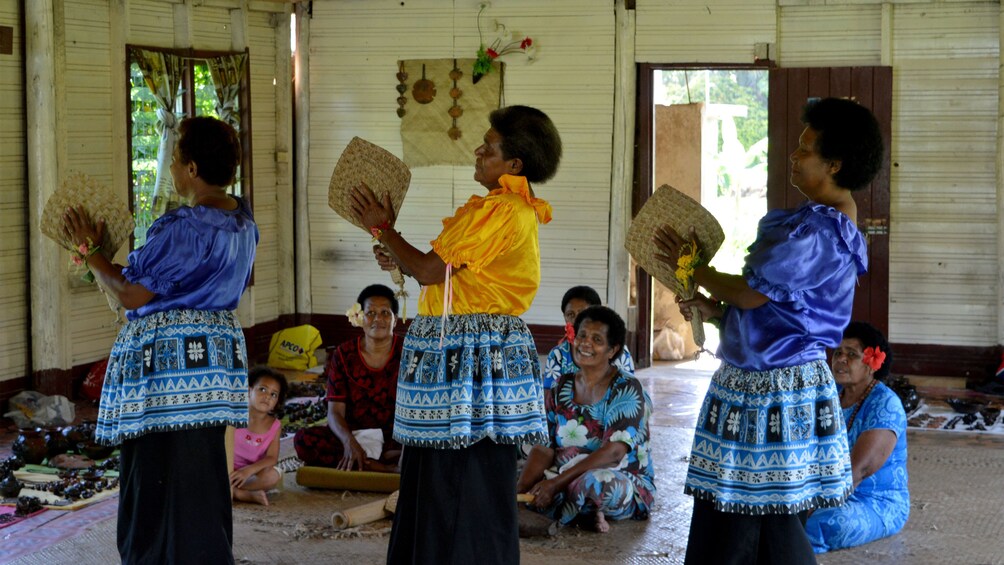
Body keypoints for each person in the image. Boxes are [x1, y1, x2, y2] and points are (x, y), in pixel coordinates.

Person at [655, 97, 884, 564]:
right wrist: (717, 312)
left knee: (763, 517)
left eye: (805, 149)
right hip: (756, 384)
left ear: (834, 164)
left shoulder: (822, 232)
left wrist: (692, 265)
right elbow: (774, 312)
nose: (794, 157)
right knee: (737, 512)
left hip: (775, 392)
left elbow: (750, 294)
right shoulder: (815, 223)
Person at [349, 105, 562, 564]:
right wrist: (394, 247)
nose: (479, 151)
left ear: (515, 165)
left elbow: (428, 269)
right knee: (443, 472)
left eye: (490, 146)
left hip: (473, 356)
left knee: (465, 473)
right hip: (460, 352)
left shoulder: (505, 210)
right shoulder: (495, 208)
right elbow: (437, 271)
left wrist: (384, 228)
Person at [62, 116, 258, 564]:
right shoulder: (244, 221)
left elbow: (132, 293)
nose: (171, 170)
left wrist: (92, 252)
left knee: (154, 468)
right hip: (215, 358)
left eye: (173, 161)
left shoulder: (183, 226)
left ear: (191, 169)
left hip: (168, 366)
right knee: (200, 470)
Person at [518, 306, 655, 533]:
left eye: (597, 339)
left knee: (598, 483)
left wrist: (554, 484)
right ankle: (581, 513)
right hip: (562, 473)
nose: (585, 343)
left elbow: (614, 453)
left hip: (617, 475)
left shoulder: (627, 388)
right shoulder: (561, 386)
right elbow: (544, 446)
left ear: (612, 350)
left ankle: (578, 508)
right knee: (511, 473)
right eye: (581, 335)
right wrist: (520, 492)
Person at [805, 321, 909, 553]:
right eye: (838, 352)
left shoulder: (885, 404)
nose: (841, 359)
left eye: (851, 354)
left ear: (872, 363)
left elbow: (859, 471)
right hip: (827, 491)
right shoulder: (829, 395)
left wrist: (810, 505)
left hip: (874, 501)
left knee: (825, 523)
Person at [293, 284, 403, 472]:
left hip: (396, 439)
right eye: (371, 313)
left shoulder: (409, 351)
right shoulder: (343, 354)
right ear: (359, 318)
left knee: (430, 446)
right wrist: (349, 442)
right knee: (304, 440)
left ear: (395, 320)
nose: (378, 319)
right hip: (355, 434)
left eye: (385, 313)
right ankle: (383, 467)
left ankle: (375, 461)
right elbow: (335, 412)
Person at [543, 286, 636, 389]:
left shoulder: (620, 354)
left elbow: (628, 392)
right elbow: (549, 397)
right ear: (564, 316)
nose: (576, 321)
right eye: (570, 314)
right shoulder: (558, 355)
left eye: (583, 314)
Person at [231, 367, 288, 506]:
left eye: (274, 394)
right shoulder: (233, 415)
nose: (267, 396)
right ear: (249, 391)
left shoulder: (274, 425)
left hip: (250, 475)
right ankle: (239, 494)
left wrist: (248, 470)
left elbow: (271, 458)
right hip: (226, 470)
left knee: (272, 476)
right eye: (262, 389)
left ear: (276, 403)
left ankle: (230, 490)